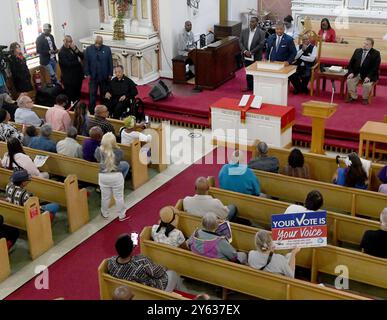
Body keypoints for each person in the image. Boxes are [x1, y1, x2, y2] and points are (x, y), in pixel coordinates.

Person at [107, 234, 179, 292]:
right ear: (132, 248)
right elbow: (158, 273)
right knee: (172, 273)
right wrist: (164, 267)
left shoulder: (111, 262)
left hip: (131, 292)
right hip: (152, 292)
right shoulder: (141, 261)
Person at [94, 132, 129, 221]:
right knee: (119, 196)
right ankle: (121, 215)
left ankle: (104, 213)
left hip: (103, 176)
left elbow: (97, 159)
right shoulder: (119, 151)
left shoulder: (98, 150)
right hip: (116, 176)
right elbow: (120, 160)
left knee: (105, 197)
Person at [346, 37, 381, 105]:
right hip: (356, 73)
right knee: (349, 81)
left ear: (371, 46)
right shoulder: (357, 51)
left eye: (367, 44)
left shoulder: (376, 53)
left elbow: (375, 68)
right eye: (364, 43)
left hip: (369, 75)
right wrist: (351, 72)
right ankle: (354, 97)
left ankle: (365, 98)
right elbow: (350, 63)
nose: (364, 45)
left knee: (367, 85)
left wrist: (369, 77)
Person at [84, 36, 113, 114]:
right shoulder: (89, 49)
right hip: (93, 77)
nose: (97, 45)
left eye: (99, 44)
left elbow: (110, 62)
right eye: (96, 43)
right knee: (92, 95)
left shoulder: (107, 49)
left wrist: (110, 73)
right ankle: (92, 112)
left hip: (104, 77)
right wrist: (87, 73)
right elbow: (86, 63)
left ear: (102, 43)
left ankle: (103, 111)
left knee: (103, 95)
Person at [239, 17, 266, 91]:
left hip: (256, 56)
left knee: (256, 72)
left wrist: (251, 52)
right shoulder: (244, 31)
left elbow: (261, 44)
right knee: (248, 71)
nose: (251, 23)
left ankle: (257, 88)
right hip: (246, 55)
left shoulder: (261, 32)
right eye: (250, 21)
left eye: (253, 22)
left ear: (257, 23)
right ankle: (249, 87)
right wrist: (245, 51)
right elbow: (240, 42)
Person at [58, 35, 84, 104]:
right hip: (69, 79)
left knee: (78, 94)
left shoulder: (73, 48)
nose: (70, 43)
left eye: (71, 41)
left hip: (77, 76)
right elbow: (67, 64)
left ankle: (77, 107)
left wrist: (76, 50)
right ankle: (72, 110)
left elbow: (82, 56)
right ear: (64, 41)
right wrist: (78, 62)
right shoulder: (61, 52)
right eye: (69, 41)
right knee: (71, 97)